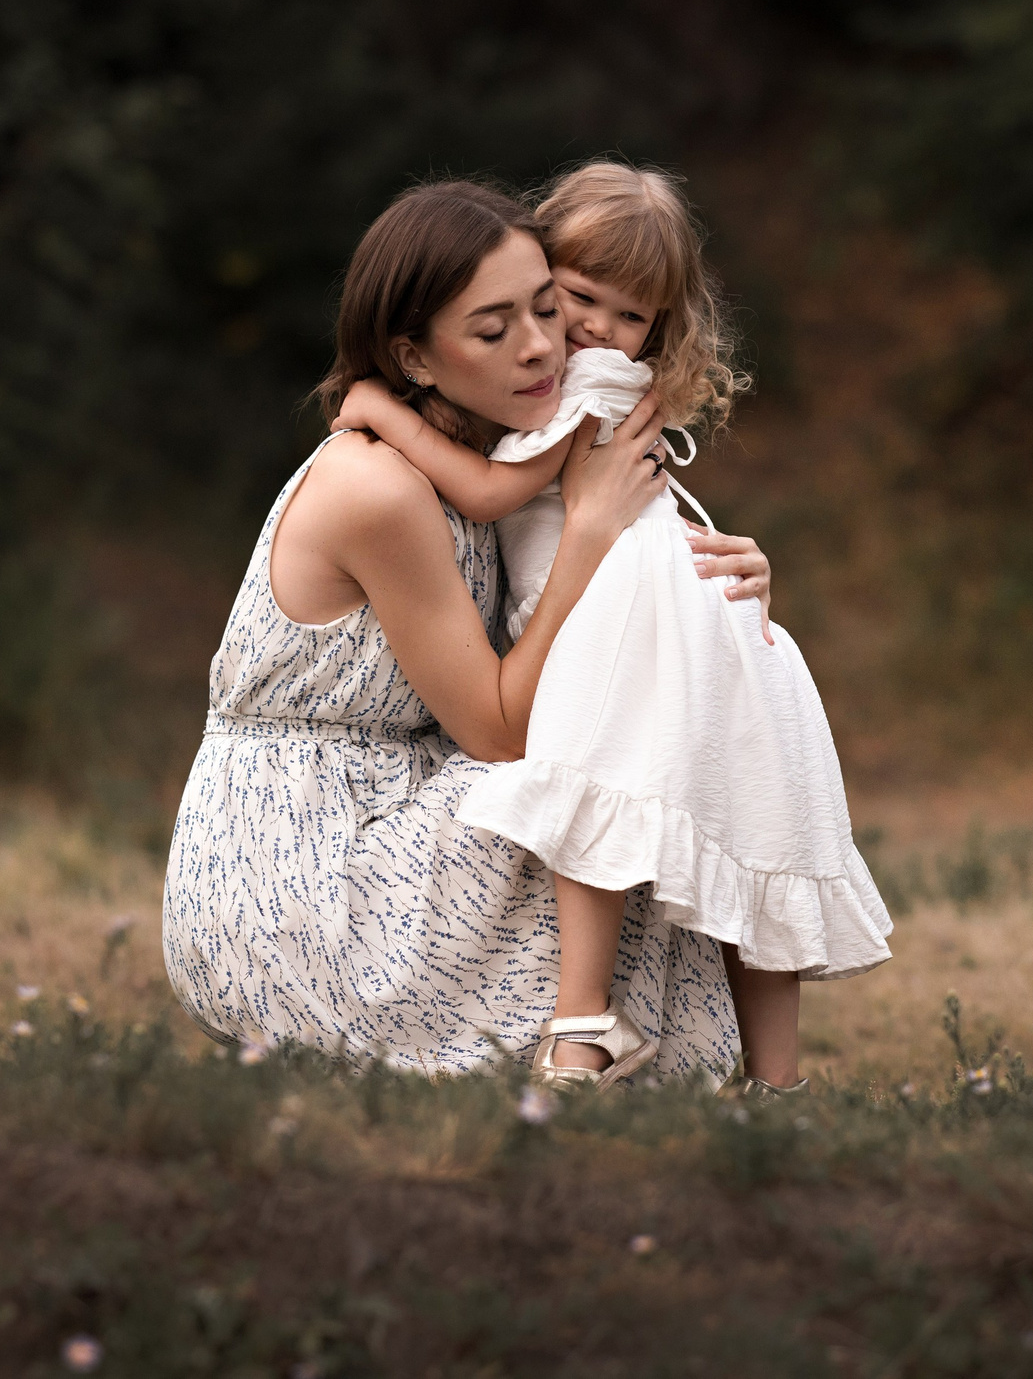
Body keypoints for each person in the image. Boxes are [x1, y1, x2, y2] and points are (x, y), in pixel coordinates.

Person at [160, 179, 774, 1077]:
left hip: (403, 807)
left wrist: (717, 591)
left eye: (547, 308)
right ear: (413, 357)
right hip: (299, 877)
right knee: (615, 768)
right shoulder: (378, 489)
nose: (544, 346)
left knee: (662, 746)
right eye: (493, 331)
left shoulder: (493, 463)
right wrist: (589, 536)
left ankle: (707, 1059)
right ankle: (603, 1037)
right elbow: (499, 732)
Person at [333, 160, 889, 1095]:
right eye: (577, 296)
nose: (594, 328)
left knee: (589, 792)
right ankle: (778, 1082)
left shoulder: (583, 383)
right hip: (681, 608)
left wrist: (382, 409)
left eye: (629, 315)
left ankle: (583, 1021)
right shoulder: (600, 379)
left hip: (624, 610)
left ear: (657, 328)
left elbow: (491, 491)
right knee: (750, 833)